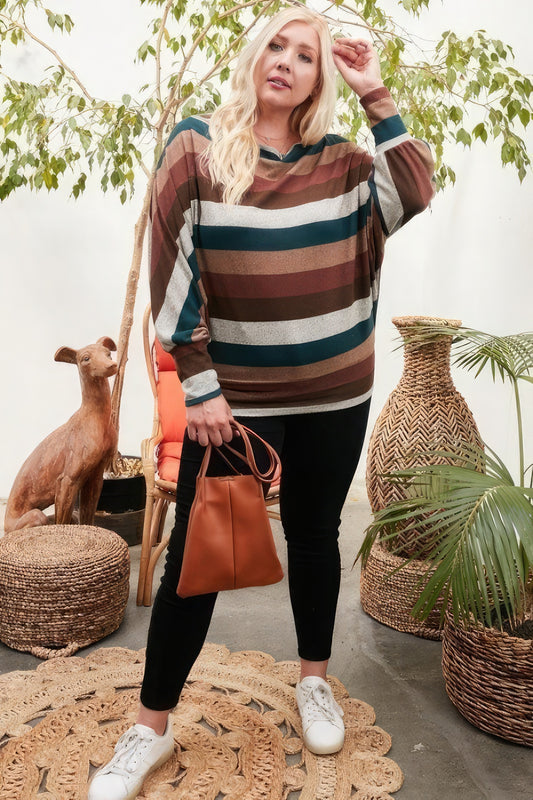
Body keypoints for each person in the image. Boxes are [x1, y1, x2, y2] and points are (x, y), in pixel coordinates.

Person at [89, 6, 434, 799]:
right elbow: (172, 270)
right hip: (233, 404)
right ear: (253, 56)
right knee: (199, 558)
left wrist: (373, 88)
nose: (285, 61)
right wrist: (200, 386)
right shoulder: (197, 147)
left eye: (305, 55)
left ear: (318, 79)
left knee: (314, 537)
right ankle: (150, 728)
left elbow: (414, 189)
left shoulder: (345, 163)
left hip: (335, 393)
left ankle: (313, 679)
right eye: (275, 45)